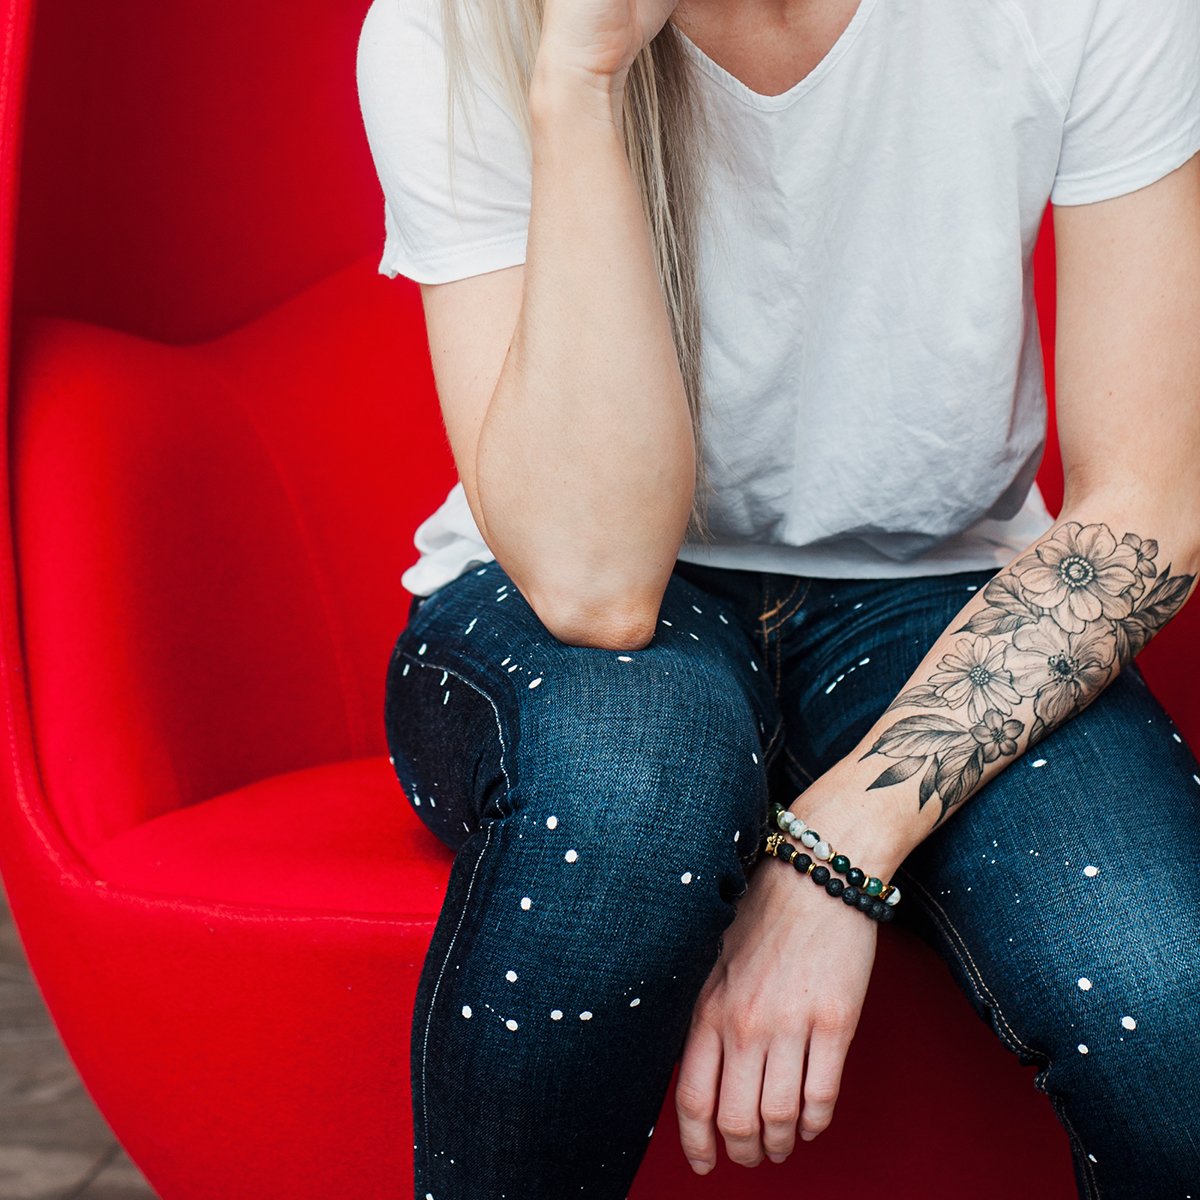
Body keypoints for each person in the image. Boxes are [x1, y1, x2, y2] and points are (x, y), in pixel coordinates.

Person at [356, 0, 1200, 1194]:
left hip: (940, 592)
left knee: (1168, 1003)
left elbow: (1150, 504)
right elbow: (596, 582)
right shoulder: (453, 28)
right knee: (632, 786)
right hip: (570, 594)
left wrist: (835, 852)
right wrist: (584, 81)